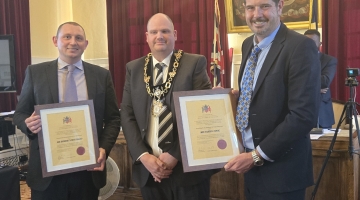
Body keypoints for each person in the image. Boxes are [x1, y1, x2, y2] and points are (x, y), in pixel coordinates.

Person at [223, 0, 321, 199]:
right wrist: (229, 99)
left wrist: (256, 156)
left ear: (280, 7)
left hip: (282, 173)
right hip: (250, 169)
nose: (257, 14)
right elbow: (260, 95)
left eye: (264, 6)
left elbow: (303, 115)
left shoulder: (300, 46)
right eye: (250, 8)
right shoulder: (247, 44)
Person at [13, 22, 120, 200]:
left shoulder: (101, 76)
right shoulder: (35, 73)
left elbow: (113, 119)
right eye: (67, 37)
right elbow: (19, 114)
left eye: (79, 38)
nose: (73, 42)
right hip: (47, 172)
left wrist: (103, 148)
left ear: (86, 43)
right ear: (55, 41)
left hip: (87, 171)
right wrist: (26, 124)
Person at [120, 13, 218, 200]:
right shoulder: (133, 68)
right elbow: (127, 114)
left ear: (174, 34)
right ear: (146, 37)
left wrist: (175, 154)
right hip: (149, 170)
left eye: (165, 31)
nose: (160, 36)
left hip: (187, 170)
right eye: (154, 32)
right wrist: (143, 156)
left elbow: (201, 115)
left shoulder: (194, 63)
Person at [304, 29, 337, 128]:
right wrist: (315, 89)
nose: (309, 45)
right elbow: (289, 81)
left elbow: (325, 81)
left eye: (313, 42)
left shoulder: (329, 60)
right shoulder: (295, 60)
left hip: (322, 115)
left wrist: (302, 83)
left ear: (320, 43)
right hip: (301, 114)